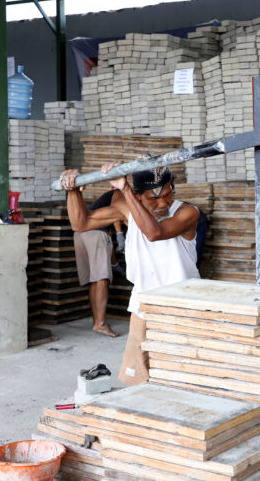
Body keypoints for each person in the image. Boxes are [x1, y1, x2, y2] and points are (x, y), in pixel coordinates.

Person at [60, 161, 200, 386]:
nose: (162, 203)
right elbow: (81, 223)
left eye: (167, 194)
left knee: (183, 371)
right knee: (138, 375)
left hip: (182, 304)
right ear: (138, 196)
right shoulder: (128, 210)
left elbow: (154, 232)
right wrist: (73, 190)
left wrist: (124, 188)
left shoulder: (187, 212)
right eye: (153, 198)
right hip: (143, 304)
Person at [72, 189, 123, 338]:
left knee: (95, 280)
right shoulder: (119, 193)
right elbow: (116, 211)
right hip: (95, 233)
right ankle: (100, 324)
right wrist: (120, 234)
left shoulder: (100, 202)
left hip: (80, 234)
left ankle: (97, 322)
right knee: (102, 279)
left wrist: (114, 263)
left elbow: (109, 239)